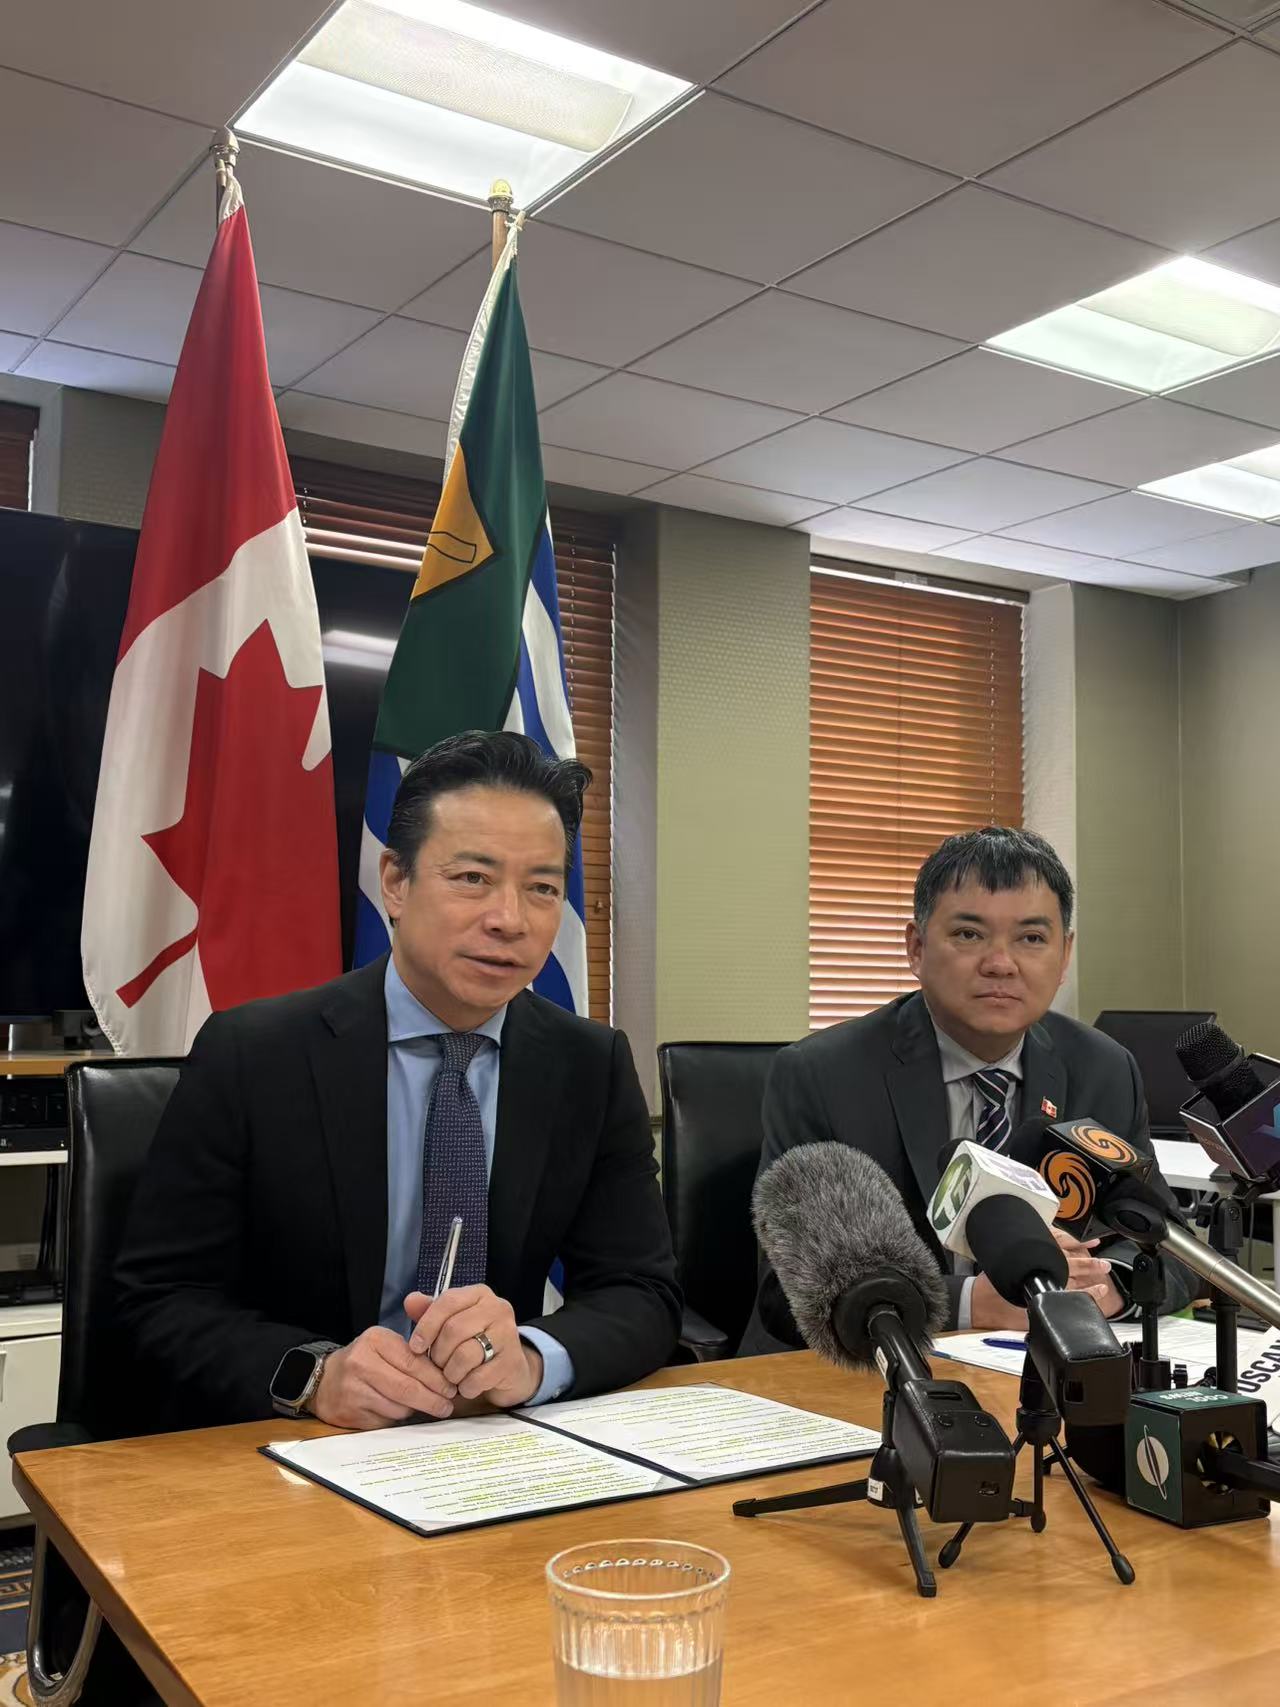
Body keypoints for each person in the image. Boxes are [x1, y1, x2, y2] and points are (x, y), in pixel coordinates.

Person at [116, 731, 681, 1431]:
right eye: (472, 878)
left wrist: (532, 1360)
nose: (509, 919)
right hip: (294, 1446)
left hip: (490, 1441)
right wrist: (314, 1376)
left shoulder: (588, 1064)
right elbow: (158, 1298)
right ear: (394, 881)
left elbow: (642, 1290)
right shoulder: (254, 1054)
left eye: (541, 888)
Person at [740, 826, 1192, 1353]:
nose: (1000, 963)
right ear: (916, 948)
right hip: (869, 1372)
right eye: (969, 935)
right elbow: (787, 1292)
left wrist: (1108, 1287)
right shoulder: (823, 1075)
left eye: (1031, 938)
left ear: (1065, 954)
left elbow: (1177, 1250)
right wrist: (967, 1302)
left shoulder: (1104, 1068)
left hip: (1044, 1367)